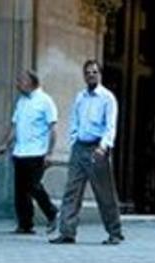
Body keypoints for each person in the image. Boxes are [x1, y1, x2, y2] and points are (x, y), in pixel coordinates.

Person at [51, 60, 124, 245]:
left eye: (94, 72)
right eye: (88, 72)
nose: (91, 75)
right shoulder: (80, 97)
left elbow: (110, 125)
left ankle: (115, 232)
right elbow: (74, 120)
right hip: (79, 147)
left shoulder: (107, 98)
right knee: (71, 191)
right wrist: (74, 140)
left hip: (97, 149)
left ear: (100, 74)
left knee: (104, 193)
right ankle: (67, 232)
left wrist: (104, 146)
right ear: (84, 76)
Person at [0, 70, 58, 235]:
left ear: (31, 82)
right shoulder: (21, 102)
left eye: (21, 80)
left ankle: (52, 212)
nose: (17, 83)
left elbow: (53, 128)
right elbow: (15, 127)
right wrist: (5, 145)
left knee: (34, 186)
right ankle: (25, 224)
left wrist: (50, 153)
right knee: (20, 192)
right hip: (20, 153)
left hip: (37, 153)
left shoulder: (45, 101)